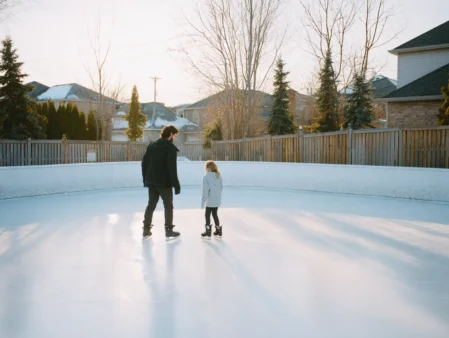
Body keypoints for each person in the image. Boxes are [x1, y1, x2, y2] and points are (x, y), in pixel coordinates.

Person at [141, 125, 181, 241]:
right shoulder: (170, 148)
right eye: (174, 135)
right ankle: (168, 231)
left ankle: (146, 229)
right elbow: (171, 169)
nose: (174, 138)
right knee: (168, 206)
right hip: (164, 184)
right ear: (170, 135)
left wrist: (145, 179)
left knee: (151, 205)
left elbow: (144, 163)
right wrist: (176, 184)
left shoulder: (152, 145)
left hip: (152, 182)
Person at [201, 160, 223, 239]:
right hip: (217, 201)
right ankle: (218, 230)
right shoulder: (218, 176)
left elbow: (205, 191)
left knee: (207, 215)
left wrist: (203, 202)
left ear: (208, 168)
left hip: (210, 201)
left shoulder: (206, 177)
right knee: (215, 214)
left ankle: (208, 231)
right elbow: (221, 188)